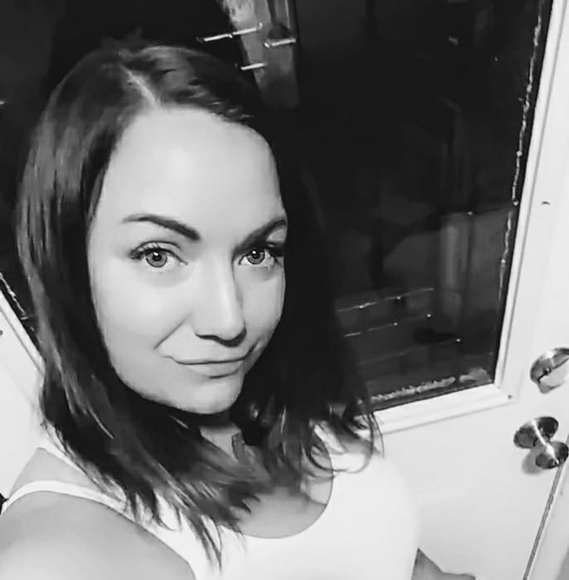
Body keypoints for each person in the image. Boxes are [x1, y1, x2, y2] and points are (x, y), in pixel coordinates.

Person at [0, 41, 472, 579]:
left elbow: (385, 551)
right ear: (66, 266)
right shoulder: (58, 554)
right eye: (158, 255)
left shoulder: (263, 396)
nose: (230, 321)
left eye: (258, 252)